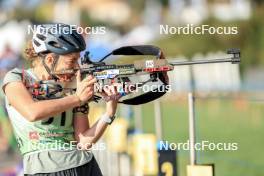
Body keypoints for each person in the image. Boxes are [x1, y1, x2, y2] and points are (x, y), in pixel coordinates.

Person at [2, 23, 121, 176]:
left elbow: (83, 142)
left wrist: (109, 113)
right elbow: (31, 112)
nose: (77, 67)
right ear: (50, 59)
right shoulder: (17, 78)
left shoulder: (72, 85)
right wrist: (78, 98)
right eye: (72, 61)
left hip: (86, 166)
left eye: (78, 60)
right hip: (44, 171)